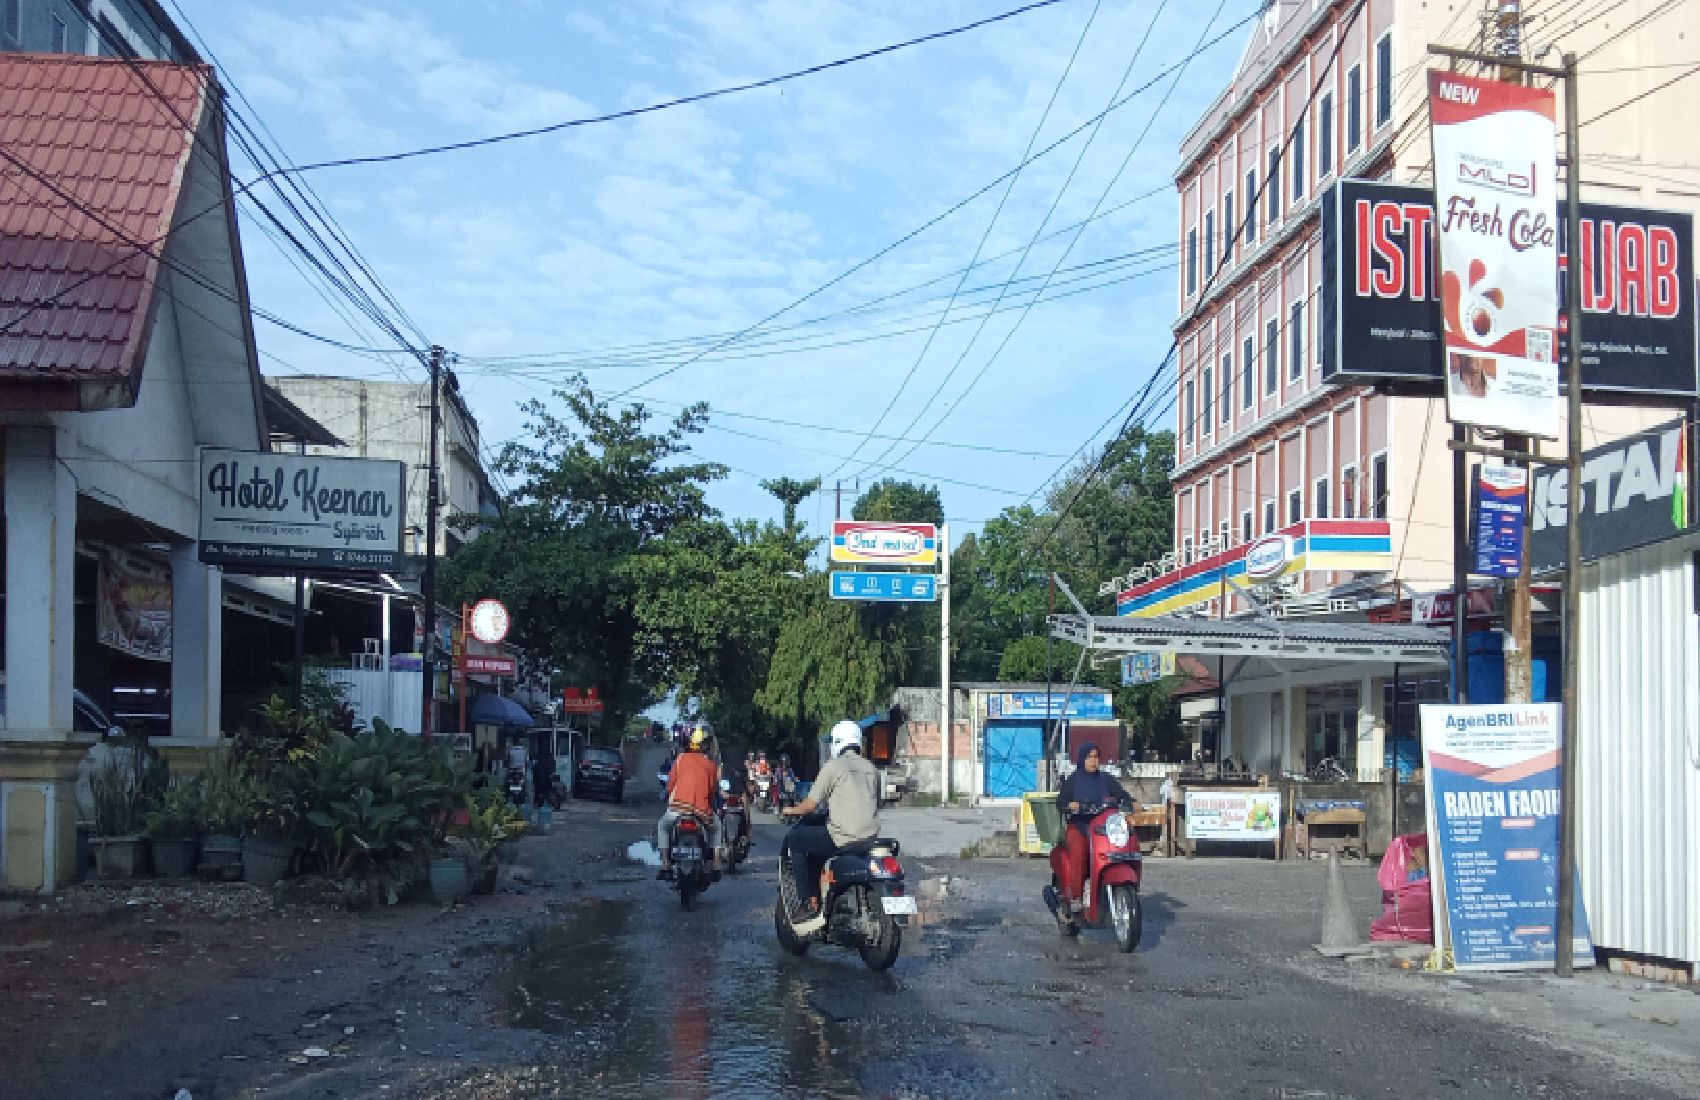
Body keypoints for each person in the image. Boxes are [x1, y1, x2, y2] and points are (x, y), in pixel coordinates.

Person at [781, 720, 879, 917]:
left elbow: (810, 805)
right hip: (870, 838)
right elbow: (876, 801)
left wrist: (790, 811)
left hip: (842, 838)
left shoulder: (833, 767)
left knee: (796, 839)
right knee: (817, 842)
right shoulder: (872, 768)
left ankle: (807, 901)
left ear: (837, 743)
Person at [1055, 742, 1136, 919]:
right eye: (1089, 757)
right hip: (1080, 826)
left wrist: (1131, 802)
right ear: (1082, 759)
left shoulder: (1106, 779)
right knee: (1079, 852)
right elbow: (1061, 802)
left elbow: (1122, 795)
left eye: (1096, 757)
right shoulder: (1074, 780)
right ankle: (1076, 897)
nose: (1093, 761)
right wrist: (1071, 805)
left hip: (1102, 828)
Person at [656, 726, 721, 879]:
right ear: (705, 745)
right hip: (701, 811)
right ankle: (717, 863)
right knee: (717, 828)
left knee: (663, 826)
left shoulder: (680, 759)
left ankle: (665, 863)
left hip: (678, 808)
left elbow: (671, 784)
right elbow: (713, 792)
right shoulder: (711, 765)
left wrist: (666, 795)